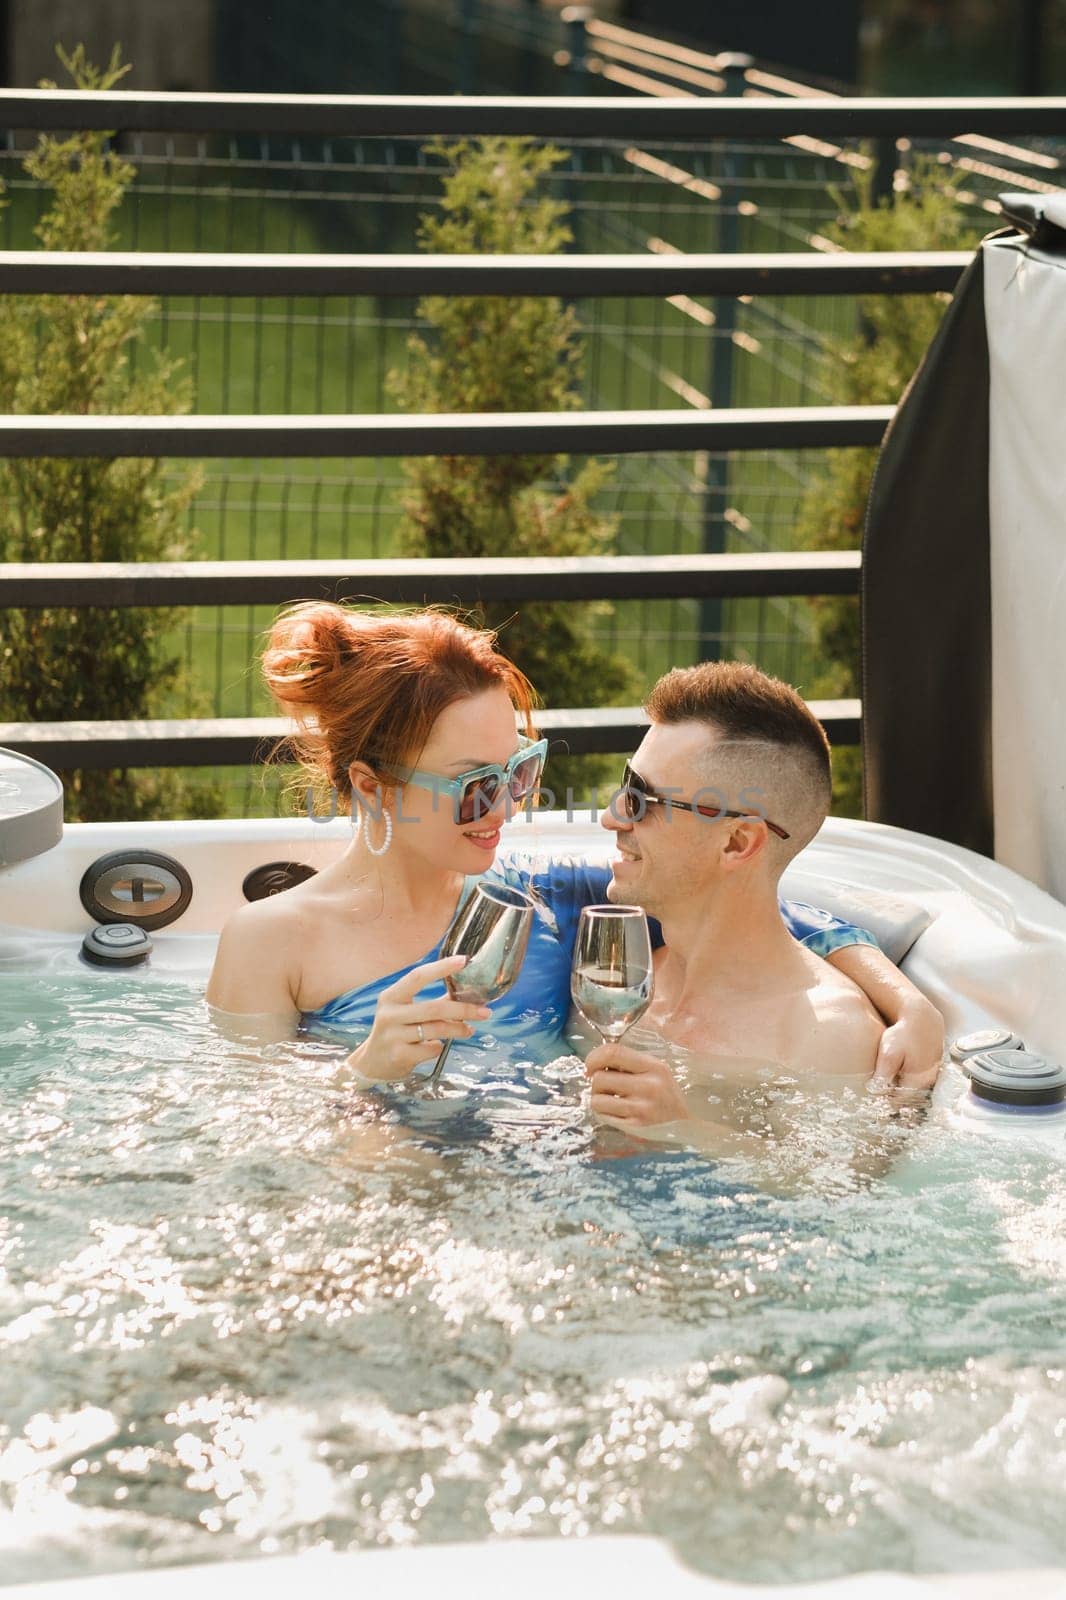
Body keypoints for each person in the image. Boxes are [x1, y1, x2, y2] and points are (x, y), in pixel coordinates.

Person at [206, 603, 943, 1088]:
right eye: (474, 786)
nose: (507, 808)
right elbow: (250, 1152)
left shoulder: (544, 900)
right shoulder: (271, 944)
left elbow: (759, 899)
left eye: (519, 770)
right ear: (372, 786)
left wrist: (911, 1005)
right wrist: (361, 1072)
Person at [582, 660, 943, 1138]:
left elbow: (841, 1199)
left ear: (736, 842)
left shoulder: (828, 1039)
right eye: (626, 784)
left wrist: (687, 1130)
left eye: (641, 799)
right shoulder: (611, 981)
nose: (612, 817)